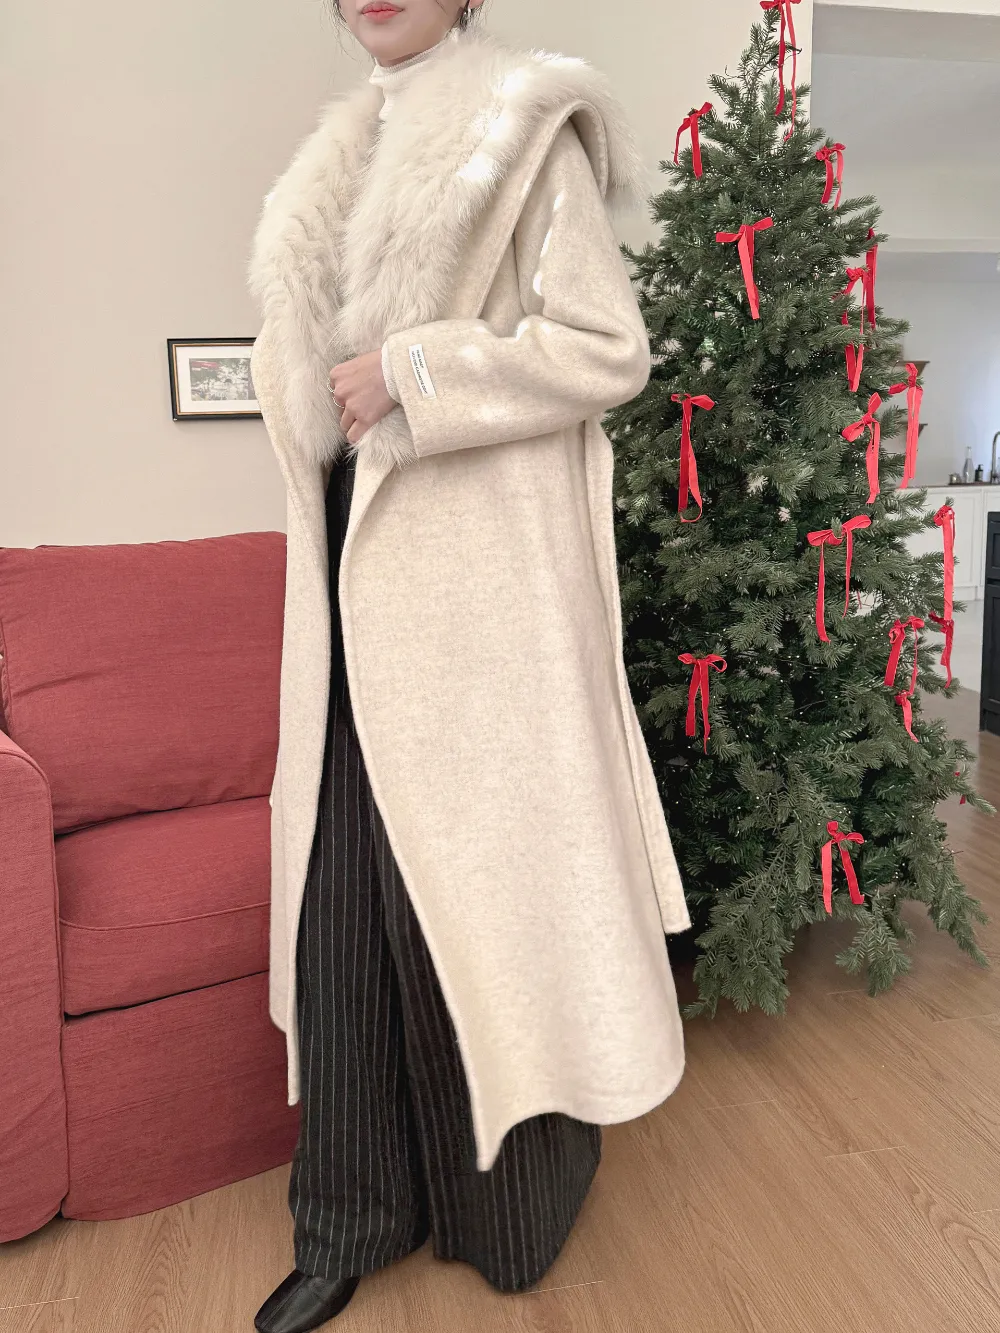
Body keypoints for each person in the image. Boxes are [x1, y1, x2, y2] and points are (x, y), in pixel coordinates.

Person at [247, 2, 692, 1329]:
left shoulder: (522, 129)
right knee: (341, 906)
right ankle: (347, 1215)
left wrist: (416, 372)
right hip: (348, 576)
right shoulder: (329, 161)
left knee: (468, 903)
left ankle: (504, 1208)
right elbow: (312, 394)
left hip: (474, 593)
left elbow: (606, 348)